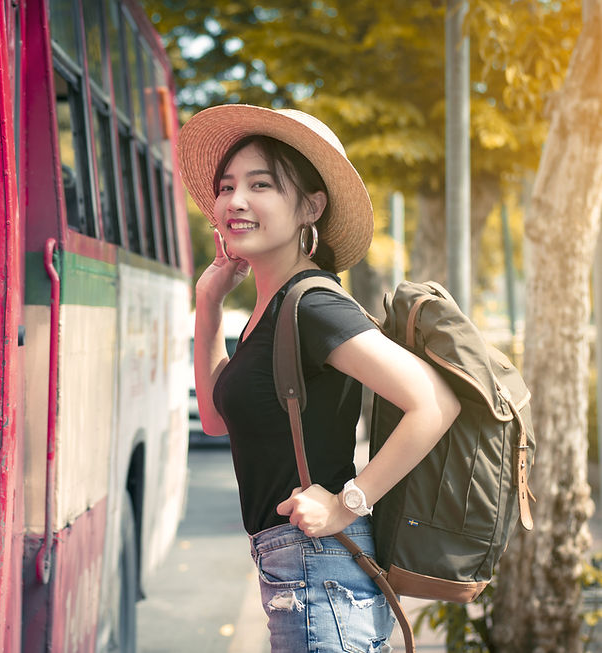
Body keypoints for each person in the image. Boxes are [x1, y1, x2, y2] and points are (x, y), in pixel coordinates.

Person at [177, 105, 461, 652]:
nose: (235, 200)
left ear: (310, 206)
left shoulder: (313, 306)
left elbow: (434, 401)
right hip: (296, 571)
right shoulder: (271, 310)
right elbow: (215, 418)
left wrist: (347, 502)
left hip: (320, 572)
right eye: (227, 186)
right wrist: (209, 303)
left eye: (260, 184)